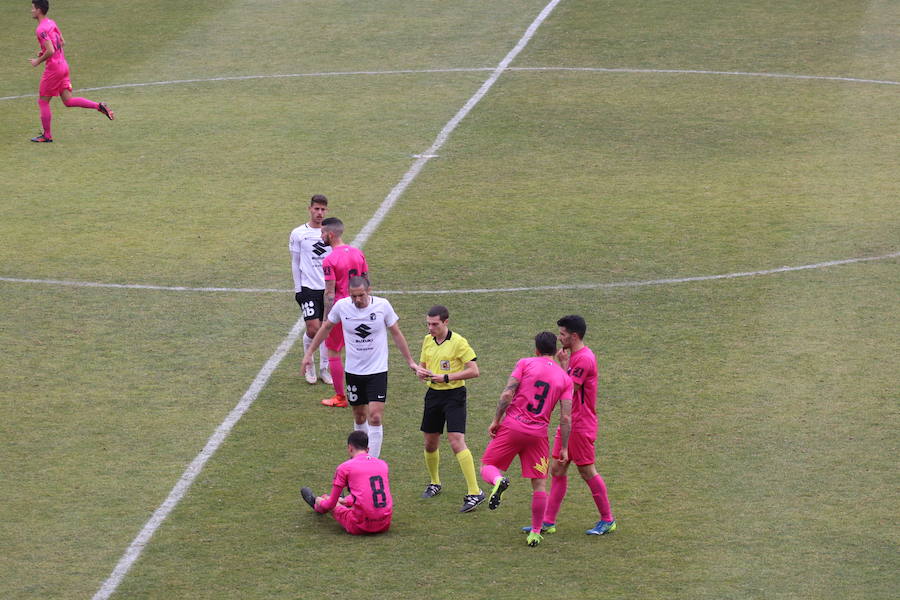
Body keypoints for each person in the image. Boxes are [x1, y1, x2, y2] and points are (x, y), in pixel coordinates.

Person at [300, 276, 419, 458]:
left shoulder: (382, 306)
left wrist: (410, 361)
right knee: (359, 416)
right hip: (354, 372)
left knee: (376, 416)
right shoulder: (342, 307)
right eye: (353, 296)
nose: (357, 300)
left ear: (369, 291)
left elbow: (396, 333)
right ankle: (361, 457)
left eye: (361, 296)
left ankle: (372, 462)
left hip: (377, 371)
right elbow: (325, 328)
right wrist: (309, 353)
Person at [524, 315, 616, 536]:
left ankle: (608, 520)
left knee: (586, 471)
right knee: (557, 469)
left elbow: (567, 389)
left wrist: (562, 365)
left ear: (574, 336)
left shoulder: (584, 359)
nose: (559, 337)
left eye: (563, 334)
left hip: (580, 425)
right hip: (568, 423)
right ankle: (548, 521)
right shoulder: (575, 355)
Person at [480, 332, 573, 547]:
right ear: (553, 349)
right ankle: (536, 532)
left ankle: (497, 481)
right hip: (538, 435)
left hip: (512, 426)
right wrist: (565, 448)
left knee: (488, 465)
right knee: (539, 484)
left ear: (537, 350)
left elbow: (506, 395)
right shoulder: (564, 378)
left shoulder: (525, 363)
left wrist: (496, 420)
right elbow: (566, 417)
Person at [416, 305, 484, 512]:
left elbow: (474, 371)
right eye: (428, 324)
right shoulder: (428, 340)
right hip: (433, 395)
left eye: (435, 324)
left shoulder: (459, 342)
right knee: (430, 443)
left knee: (456, 441)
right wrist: (421, 372)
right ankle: (435, 482)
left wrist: (447, 377)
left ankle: (475, 492)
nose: (430, 328)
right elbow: (423, 364)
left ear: (446, 322)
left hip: (454, 395)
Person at [28, 0, 114, 143]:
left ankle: (47, 136)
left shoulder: (41, 29)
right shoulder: (51, 23)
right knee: (68, 101)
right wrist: (44, 51)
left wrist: (38, 61)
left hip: (54, 69)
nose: (31, 11)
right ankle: (99, 106)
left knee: (43, 101)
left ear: (39, 10)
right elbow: (61, 42)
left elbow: (50, 50)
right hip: (63, 66)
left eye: (32, 8)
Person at [317, 217, 369, 407]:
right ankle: (365, 390)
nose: (321, 236)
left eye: (323, 233)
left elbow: (330, 293)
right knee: (360, 350)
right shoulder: (358, 253)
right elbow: (366, 283)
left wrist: (326, 320)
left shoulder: (330, 259)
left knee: (334, 352)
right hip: (360, 307)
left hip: (341, 309)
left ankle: (340, 397)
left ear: (330, 235)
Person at [300, 430, 392, 535]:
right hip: (384, 524)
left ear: (350, 448)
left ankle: (316, 505)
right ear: (368, 449)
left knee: (328, 500)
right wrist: (347, 501)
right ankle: (342, 500)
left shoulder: (345, 467)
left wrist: (320, 501)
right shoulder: (383, 464)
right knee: (346, 500)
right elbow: (369, 494)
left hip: (360, 526)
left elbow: (330, 505)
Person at [289, 195, 332, 385]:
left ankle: (324, 368)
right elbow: (295, 262)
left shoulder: (330, 233)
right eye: (316, 209)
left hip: (327, 289)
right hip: (308, 288)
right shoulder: (298, 233)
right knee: (314, 329)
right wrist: (298, 289)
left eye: (323, 209)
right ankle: (310, 365)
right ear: (310, 209)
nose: (319, 213)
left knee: (326, 330)